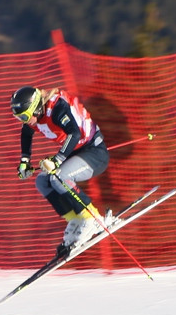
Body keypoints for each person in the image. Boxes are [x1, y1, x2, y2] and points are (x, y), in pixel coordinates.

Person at [11, 85, 111, 255]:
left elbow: (74, 134)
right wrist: (25, 161)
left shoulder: (56, 108)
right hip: (76, 154)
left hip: (94, 153)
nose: (23, 121)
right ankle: (75, 220)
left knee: (59, 176)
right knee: (42, 181)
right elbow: (26, 133)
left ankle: (92, 218)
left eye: (24, 116)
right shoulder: (35, 117)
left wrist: (56, 161)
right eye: (18, 117)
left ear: (35, 108)